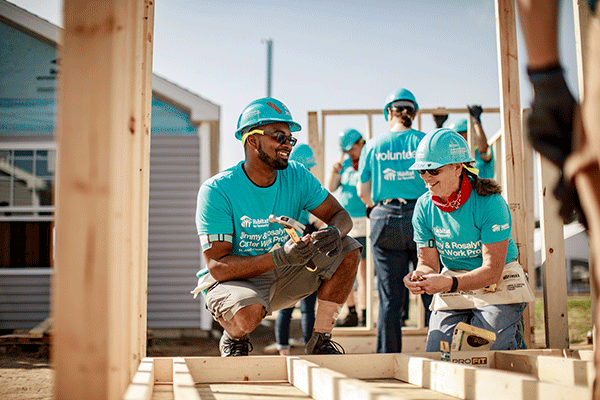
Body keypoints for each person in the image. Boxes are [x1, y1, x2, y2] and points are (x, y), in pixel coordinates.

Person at [191, 97, 362, 356]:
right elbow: (217, 266)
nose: (288, 145)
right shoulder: (218, 190)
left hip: (284, 271)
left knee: (348, 248)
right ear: (252, 140)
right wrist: (280, 256)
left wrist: (335, 231)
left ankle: (320, 340)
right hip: (235, 280)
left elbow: (341, 215)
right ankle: (234, 336)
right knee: (247, 315)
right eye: (279, 137)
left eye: (290, 139)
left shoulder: (297, 175)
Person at [403, 128, 527, 352]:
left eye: (434, 171)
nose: (427, 178)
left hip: (497, 279)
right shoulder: (423, 206)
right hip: (455, 280)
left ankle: (512, 335)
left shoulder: (490, 202)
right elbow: (428, 263)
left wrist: (450, 284)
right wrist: (420, 275)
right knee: (439, 351)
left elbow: (492, 271)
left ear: (458, 167)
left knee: (489, 347)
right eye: (422, 171)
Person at [356, 88, 432, 353]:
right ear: (413, 113)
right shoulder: (424, 141)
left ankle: (387, 361)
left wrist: (373, 206)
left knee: (389, 299)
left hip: (384, 218)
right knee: (432, 291)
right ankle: (443, 355)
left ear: (389, 112)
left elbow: (362, 192)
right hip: (422, 219)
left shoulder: (374, 145)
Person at [272, 143, 319, 355]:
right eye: (307, 168)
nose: (309, 173)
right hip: (296, 242)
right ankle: (294, 349)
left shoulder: (284, 187)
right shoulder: (301, 186)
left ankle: (286, 349)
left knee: (289, 304)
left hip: (291, 242)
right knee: (300, 304)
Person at [326, 129, 368, 327]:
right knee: (345, 269)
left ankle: (365, 314)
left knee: (364, 272)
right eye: (347, 150)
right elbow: (332, 188)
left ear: (361, 143)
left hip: (365, 222)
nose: (351, 153)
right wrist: (334, 173)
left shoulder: (369, 160)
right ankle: (351, 312)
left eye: (352, 149)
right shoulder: (344, 165)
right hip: (347, 223)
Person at [448, 105, 495, 180]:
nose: (456, 139)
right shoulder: (458, 156)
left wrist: (476, 121)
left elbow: (484, 150)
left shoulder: (478, 151)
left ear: (470, 133)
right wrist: (439, 126)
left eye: (460, 134)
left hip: (482, 190)